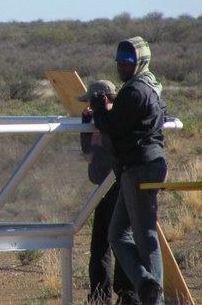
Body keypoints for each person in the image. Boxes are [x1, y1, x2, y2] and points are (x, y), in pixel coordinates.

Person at [90, 36, 167, 305]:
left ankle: (150, 291)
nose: (121, 65)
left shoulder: (135, 91)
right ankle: (147, 286)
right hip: (142, 166)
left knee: (142, 236)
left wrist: (99, 108)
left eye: (128, 61)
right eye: (119, 61)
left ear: (140, 62)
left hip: (139, 168)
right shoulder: (152, 86)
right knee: (121, 235)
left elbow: (111, 126)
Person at [79, 80, 138, 305]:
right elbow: (89, 150)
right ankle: (100, 297)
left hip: (117, 186)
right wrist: (87, 122)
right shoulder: (101, 119)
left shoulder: (113, 120)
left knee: (119, 242)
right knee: (99, 246)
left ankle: (127, 295)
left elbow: (104, 149)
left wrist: (97, 118)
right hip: (102, 187)